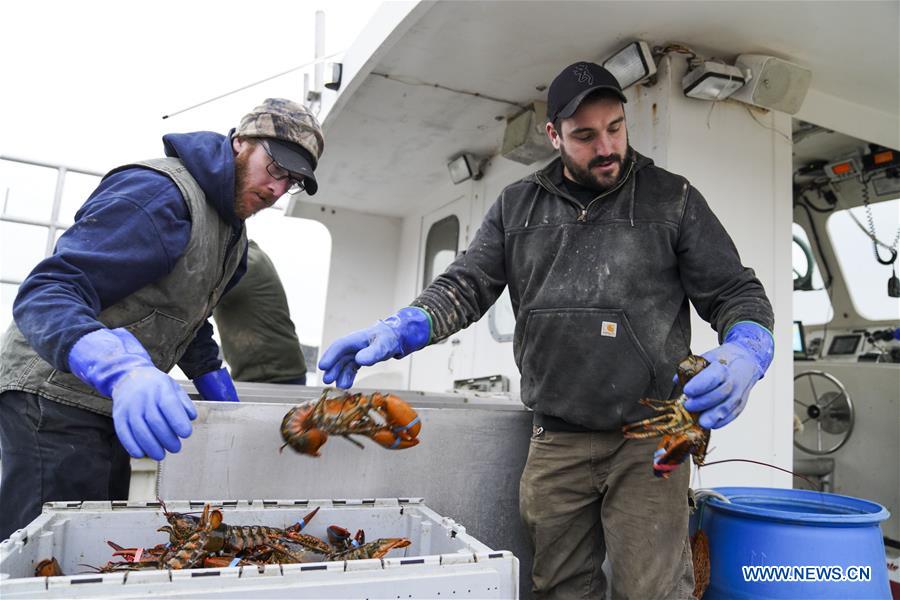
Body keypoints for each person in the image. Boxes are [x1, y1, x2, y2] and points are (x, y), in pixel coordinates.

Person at [317, 62, 774, 599]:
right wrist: (400, 328)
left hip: (650, 441)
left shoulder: (671, 198)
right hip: (555, 440)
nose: (606, 147)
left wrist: (747, 349)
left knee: (650, 591)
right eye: (584, 135)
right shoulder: (518, 205)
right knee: (558, 588)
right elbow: (465, 286)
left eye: (615, 128)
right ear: (553, 135)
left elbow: (734, 292)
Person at [0, 98, 324, 541]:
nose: (276, 188)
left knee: (95, 545)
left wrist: (214, 380)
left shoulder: (232, 233)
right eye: (275, 167)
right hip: (54, 395)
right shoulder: (160, 194)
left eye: (292, 181)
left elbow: (187, 314)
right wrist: (118, 368)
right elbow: (47, 292)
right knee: (43, 554)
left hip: (108, 406)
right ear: (240, 143)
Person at [213, 239, 308, 384]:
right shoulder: (251, 255)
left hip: (274, 375)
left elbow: (194, 293)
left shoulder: (245, 263)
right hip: (269, 372)